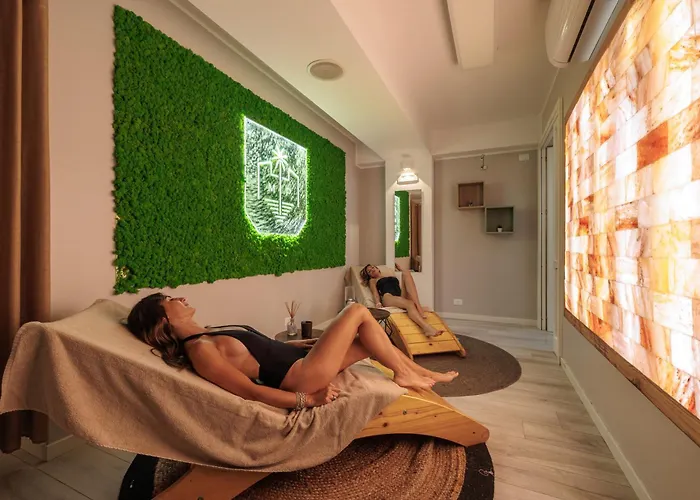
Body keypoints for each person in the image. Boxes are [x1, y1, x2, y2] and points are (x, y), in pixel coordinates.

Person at [126, 293, 458, 411]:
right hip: (301, 378)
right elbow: (249, 391)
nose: (180, 298)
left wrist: (296, 345)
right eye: (170, 299)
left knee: (370, 338)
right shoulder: (200, 350)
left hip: (300, 360)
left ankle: (415, 372)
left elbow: (259, 352)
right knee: (357, 310)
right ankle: (407, 372)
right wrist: (308, 400)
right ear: (164, 318)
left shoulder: (208, 332)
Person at [360, 263, 445, 337]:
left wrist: (400, 269)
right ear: (369, 276)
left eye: (373, 267)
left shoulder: (389, 276)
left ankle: (418, 307)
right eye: (369, 271)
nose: (372, 270)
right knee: (409, 304)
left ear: (378, 269)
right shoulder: (373, 280)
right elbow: (375, 293)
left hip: (399, 296)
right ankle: (426, 328)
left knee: (406, 273)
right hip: (388, 297)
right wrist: (378, 303)